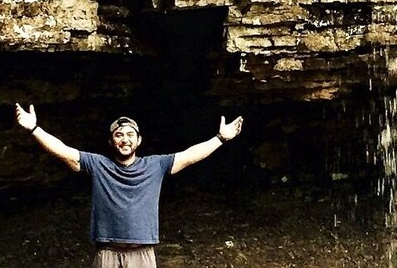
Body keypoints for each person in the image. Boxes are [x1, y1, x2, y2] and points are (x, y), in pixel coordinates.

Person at [14, 103, 244, 268]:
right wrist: (35, 129)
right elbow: (64, 151)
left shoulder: (156, 165)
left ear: (139, 140)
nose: (125, 139)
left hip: (142, 254)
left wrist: (220, 138)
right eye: (119, 135)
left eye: (130, 134)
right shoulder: (98, 164)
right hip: (107, 253)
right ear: (111, 141)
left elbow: (190, 155)